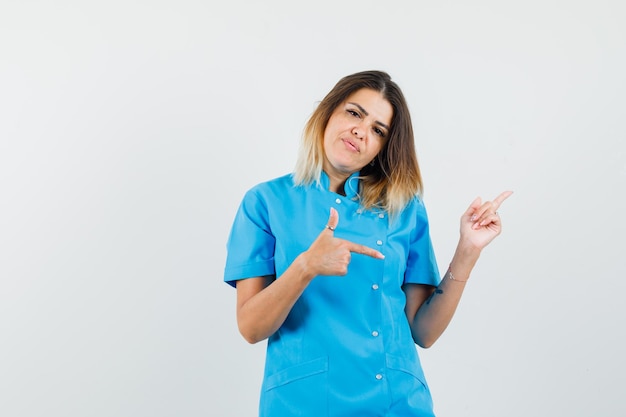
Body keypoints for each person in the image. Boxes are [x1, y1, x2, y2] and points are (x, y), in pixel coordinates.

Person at [224, 70, 512, 417]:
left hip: (397, 402)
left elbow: (424, 331)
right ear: (326, 114)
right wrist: (305, 266)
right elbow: (252, 328)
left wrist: (468, 250)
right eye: (354, 113)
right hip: (305, 401)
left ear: (381, 149)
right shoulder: (265, 202)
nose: (361, 131)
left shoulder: (403, 210)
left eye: (378, 130)